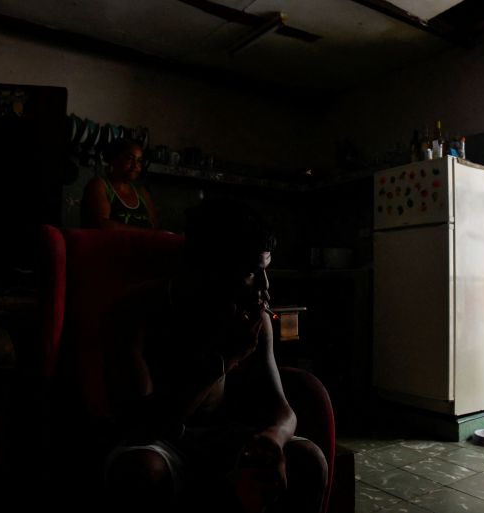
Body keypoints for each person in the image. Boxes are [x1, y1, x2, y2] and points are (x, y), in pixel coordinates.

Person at [104, 198, 328, 513]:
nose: (264, 287)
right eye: (251, 272)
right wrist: (224, 358)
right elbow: (143, 427)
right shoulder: (138, 311)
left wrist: (273, 439)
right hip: (158, 442)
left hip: (223, 436)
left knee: (309, 459)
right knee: (141, 472)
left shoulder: (253, 317)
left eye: (265, 271)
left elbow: (282, 409)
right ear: (209, 269)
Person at [81, 138, 159, 229]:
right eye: (130, 159)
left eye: (139, 161)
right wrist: (143, 233)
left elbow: (155, 228)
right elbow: (101, 225)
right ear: (114, 159)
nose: (135, 166)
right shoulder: (99, 186)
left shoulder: (142, 192)